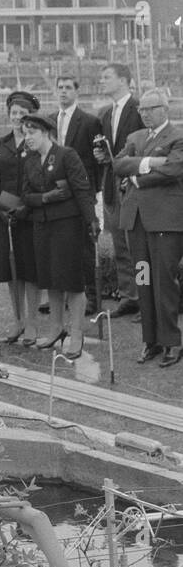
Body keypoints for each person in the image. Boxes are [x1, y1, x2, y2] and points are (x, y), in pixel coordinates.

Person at [112, 89, 183, 367]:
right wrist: (150, 163)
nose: (144, 114)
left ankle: (171, 342)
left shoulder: (177, 137)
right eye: (141, 109)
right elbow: (118, 164)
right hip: (137, 222)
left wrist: (138, 177)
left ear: (164, 109)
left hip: (165, 222)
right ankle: (150, 340)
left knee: (165, 282)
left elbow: (175, 169)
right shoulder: (135, 137)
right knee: (143, 280)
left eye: (150, 109)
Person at [21, 111, 97, 358]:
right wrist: (45, 197)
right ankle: (56, 329)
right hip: (42, 226)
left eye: (32, 132)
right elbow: (26, 196)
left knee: (72, 281)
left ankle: (76, 333)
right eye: (25, 133)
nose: (27, 138)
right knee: (51, 279)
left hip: (68, 227)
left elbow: (82, 189)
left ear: (46, 133)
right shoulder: (30, 161)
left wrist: (92, 220)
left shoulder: (66, 155)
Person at [0, 91, 43, 344]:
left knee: (30, 271)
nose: (18, 118)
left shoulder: (37, 143)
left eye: (23, 114)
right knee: (12, 272)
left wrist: (26, 208)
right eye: (14, 114)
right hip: (5, 216)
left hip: (29, 215)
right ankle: (18, 320)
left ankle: (32, 322)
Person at [52, 74, 101, 316]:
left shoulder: (89, 122)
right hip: (57, 193)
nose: (63, 92)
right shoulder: (51, 121)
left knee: (85, 246)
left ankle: (91, 296)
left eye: (68, 88)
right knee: (60, 246)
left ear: (76, 92)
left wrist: (92, 191)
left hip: (82, 192)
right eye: (60, 88)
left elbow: (97, 161)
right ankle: (61, 296)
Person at [96, 63, 142, 318]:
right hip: (111, 183)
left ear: (123, 80)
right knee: (119, 243)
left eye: (107, 77)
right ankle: (129, 296)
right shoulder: (105, 114)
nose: (101, 81)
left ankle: (147, 298)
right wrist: (101, 155)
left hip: (133, 183)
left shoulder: (137, 109)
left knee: (137, 244)